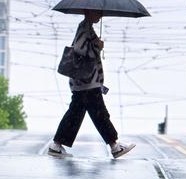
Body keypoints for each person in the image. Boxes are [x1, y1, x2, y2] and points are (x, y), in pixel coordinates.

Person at [48, 9, 136, 159]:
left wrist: (96, 43)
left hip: (85, 82)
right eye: (98, 13)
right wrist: (97, 46)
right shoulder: (84, 27)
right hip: (87, 82)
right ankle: (115, 145)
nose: (100, 16)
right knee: (99, 114)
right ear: (89, 12)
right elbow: (79, 48)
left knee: (77, 114)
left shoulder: (87, 27)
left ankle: (57, 145)